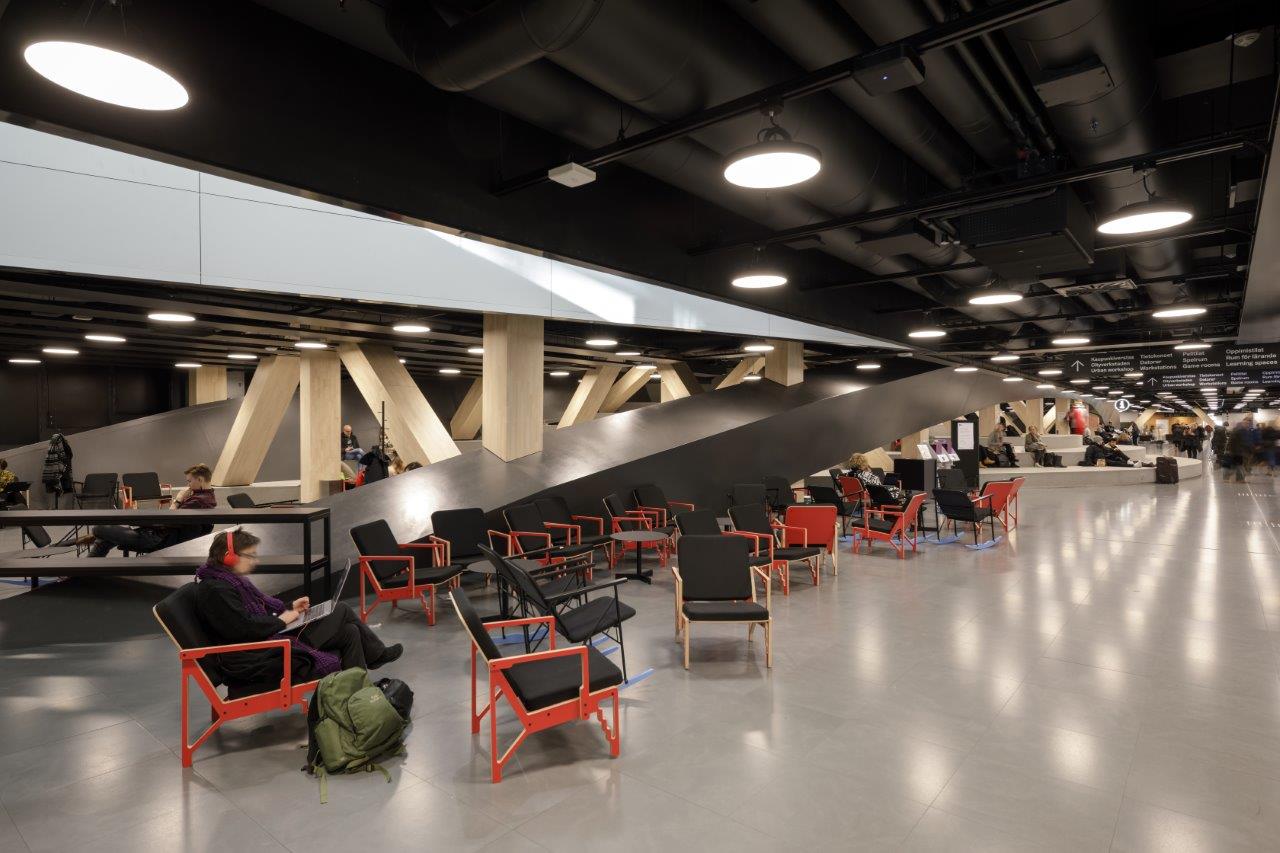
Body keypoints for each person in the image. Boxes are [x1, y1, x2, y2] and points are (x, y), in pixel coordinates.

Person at [195, 528, 402, 682]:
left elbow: (257, 612)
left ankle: (359, 693)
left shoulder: (230, 582)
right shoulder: (217, 590)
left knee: (350, 632)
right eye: (250, 556)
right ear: (229, 557)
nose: (255, 561)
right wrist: (283, 619)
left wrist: (290, 607)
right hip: (259, 655)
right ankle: (376, 655)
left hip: (268, 641)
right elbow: (244, 628)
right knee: (341, 609)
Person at [86, 463, 218, 557]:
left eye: (189, 481)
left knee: (99, 529)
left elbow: (169, 520)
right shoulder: (206, 498)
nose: (188, 485)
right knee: (105, 538)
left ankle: (84, 572)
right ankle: (85, 573)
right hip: (158, 534)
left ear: (200, 479)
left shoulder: (198, 501)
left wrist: (177, 500)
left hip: (155, 538)